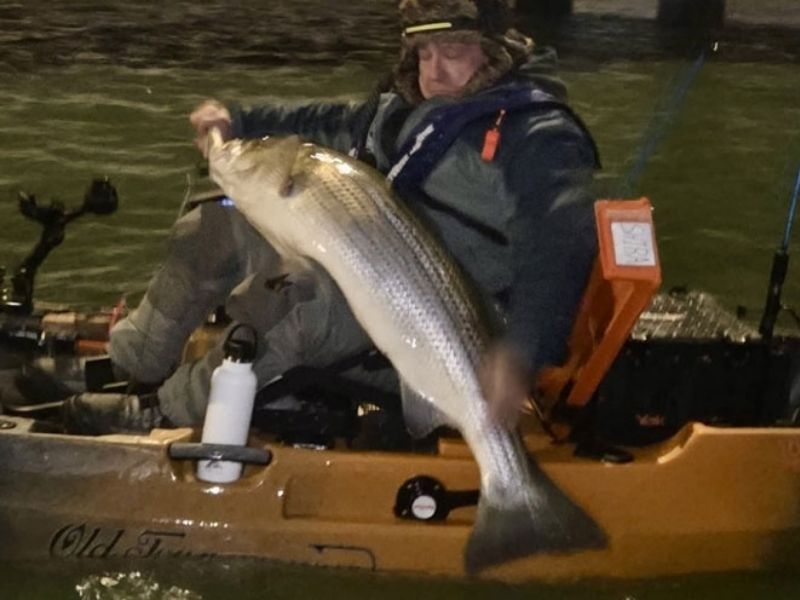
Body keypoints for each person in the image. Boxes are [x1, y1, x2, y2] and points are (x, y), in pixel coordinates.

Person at [63, 0, 599, 436]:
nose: (433, 72)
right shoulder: (405, 102)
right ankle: (131, 364)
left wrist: (522, 352)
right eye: (422, 53)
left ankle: (164, 413)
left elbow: (563, 243)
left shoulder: (539, 137)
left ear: (492, 51)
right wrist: (239, 117)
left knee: (291, 295)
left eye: (453, 52)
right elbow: (328, 123)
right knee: (210, 227)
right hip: (362, 260)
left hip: (444, 324)